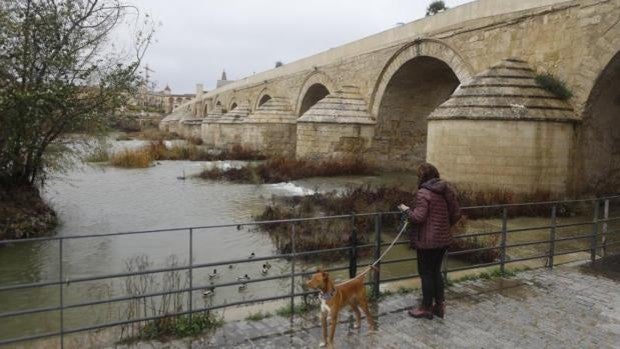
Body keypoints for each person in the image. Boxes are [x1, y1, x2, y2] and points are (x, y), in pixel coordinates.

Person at [398, 163, 460, 319]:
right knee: (436, 272)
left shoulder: (423, 193)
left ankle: (425, 307)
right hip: (443, 239)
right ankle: (439, 306)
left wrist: (406, 210)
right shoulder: (446, 190)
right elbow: (456, 214)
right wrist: (443, 227)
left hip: (427, 241)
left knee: (426, 273)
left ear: (422, 177)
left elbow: (418, 217)